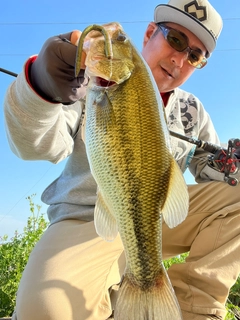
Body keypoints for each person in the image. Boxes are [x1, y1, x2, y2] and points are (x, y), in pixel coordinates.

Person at [3, 0, 240, 319]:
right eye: (176, 40)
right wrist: (41, 89)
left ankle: (190, 308)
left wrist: (231, 165)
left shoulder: (192, 111)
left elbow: (209, 172)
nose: (180, 58)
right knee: (42, 312)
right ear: (150, 33)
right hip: (88, 219)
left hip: (154, 220)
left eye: (195, 56)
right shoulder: (88, 85)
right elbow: (39, 146)